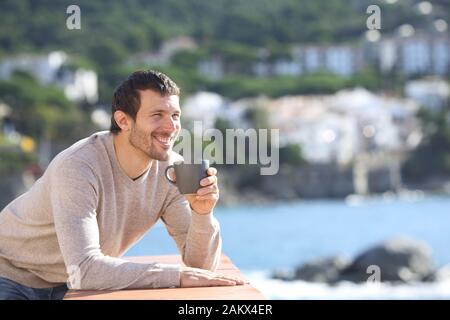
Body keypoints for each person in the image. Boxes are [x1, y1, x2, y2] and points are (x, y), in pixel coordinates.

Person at [0, 70, 244, 300]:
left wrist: (203, 213)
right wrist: (174, 276)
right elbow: (84, 269)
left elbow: (201, 269)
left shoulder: (172, 171)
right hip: (11, 274)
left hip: (69, 285)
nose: (171, 127)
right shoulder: (79, 167)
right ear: (123, 120)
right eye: (157, 115)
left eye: (175, 115)